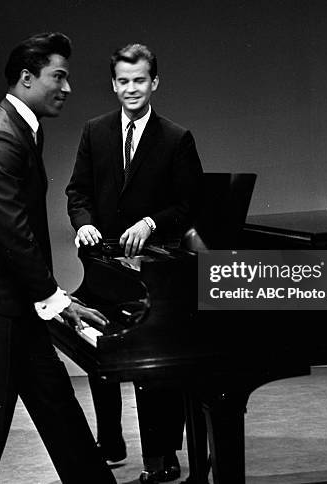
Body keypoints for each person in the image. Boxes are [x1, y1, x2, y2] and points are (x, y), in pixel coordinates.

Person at [0, 32, 117, 484]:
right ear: (27, 78)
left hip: (12, 295)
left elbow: (19, 231)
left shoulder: (24, 129)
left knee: (56, 405)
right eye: (59, 76)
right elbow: (11, 231)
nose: (67, 88)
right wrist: (59, 301)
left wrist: (51, 300)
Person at [66, 43, 204, 483]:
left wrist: (150, 221)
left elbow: (190, 205)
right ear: (113, 84)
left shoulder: (176, 138)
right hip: (105, 267)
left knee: (154, 364)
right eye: (123, 81)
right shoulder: (95, 131)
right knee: (99, 348)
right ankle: (110, 442)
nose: (131, 89)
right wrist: (84, 224)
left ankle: (162, 454)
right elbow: (77, 192)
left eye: (139, 80)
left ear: (154, 82)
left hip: (155, 274)